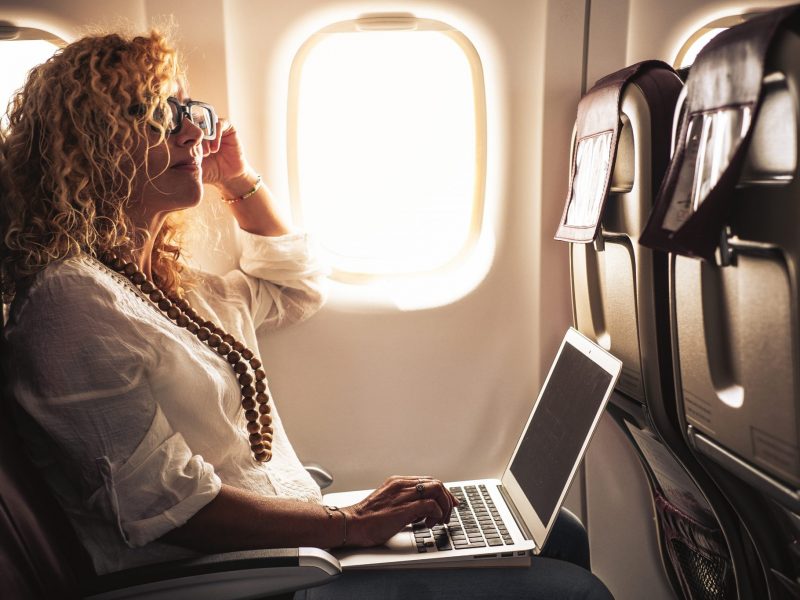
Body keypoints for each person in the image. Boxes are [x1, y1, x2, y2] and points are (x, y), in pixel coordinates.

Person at [0, 30, 613, 599]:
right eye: (162, 116)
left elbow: (296, 288)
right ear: (92, 143)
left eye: (191, 113)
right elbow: (173, 510)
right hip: (243, 579)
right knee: (575, 589)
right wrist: (349, 524)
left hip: (293, 546)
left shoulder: (158, 285)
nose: (191, 133)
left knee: (563, 533)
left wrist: (236, 180)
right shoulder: (72, 304)